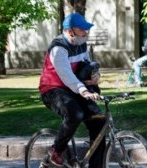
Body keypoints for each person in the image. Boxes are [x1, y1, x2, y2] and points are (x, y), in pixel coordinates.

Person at [39, 13, 105, 168]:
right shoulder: (58, 48)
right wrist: (83, 90)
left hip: (74, 88)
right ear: (70, 31)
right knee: (75, 114)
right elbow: (67, 75)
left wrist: (95, 76)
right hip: (53, 89)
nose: (86, 33)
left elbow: (86, 65)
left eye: (86, 30)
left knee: (99, 121)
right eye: (82, 30)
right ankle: (56, 151)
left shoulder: (81, 44)